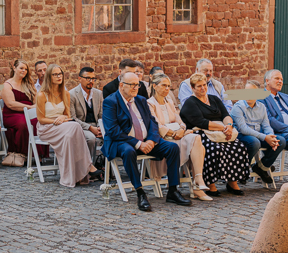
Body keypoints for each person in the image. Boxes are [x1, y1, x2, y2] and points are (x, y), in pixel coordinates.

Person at [102, 72, 191, 211]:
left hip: (146, 140)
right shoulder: (110, 102)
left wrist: (151, 140)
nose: (135, 87)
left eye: (137, 84)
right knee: (129, 151)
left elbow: (153, 123)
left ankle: (173, 191)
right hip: (121, 142)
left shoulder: (141, 100)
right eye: (131, 85)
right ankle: (140, 193)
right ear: (121, 85)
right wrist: (139, 144)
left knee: (172, 148)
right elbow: (113, 131)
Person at [179, 73, 249, 196]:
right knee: (214, 149)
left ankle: (233, 181)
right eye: (199, 86)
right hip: (201, 132)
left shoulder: (214, 98)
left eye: (204, 85)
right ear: (193, 88)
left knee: (239, 147)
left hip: (221, 131)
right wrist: (223, 128)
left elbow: (225, 115)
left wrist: (229, 126)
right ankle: (210, 183)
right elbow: (201, 122)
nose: (202, 88)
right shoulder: (190, 102)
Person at [147, 74, 210, 201]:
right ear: (154, 86)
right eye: (163, 85)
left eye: (169, 86)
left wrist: (181, 130)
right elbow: (156, 125)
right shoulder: (149, 103)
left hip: (177, 135)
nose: (167, 89)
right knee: (198, 146)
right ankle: (197, 185)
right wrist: (172, 133)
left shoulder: (169, 102)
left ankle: (198, 178)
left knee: (196, 138)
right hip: (164, 138)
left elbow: (180, 120)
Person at [36, 64, 99, 187]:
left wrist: (63, 117)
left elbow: (68, 116)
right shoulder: (41, 95)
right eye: (55, 74)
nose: (59, 76)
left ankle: (72, 177)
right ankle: (88, 165)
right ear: (49, 76)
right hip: (46, 128)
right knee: (75, 126)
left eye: (60, 74)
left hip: (64, 127)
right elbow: (41, 119)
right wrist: (57, 120)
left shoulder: (65, 93)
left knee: (70, 135)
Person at [231, 80, 286, 187]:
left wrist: (271, 137)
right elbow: (243, 129)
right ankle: (243, 167)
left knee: (281, 141)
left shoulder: (261, 107)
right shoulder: (238, 107)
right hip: (242, 136)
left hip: (258, 135)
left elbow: (266, 125)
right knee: (255, 142)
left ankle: (261, 167)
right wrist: (265, 137)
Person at [0, 59, 39, 161]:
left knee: (38, 121)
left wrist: (36, 104)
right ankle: (22, 153)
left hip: (29, 112)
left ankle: (37, 154)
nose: (24, 71)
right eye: (21, 68)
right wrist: (30, 108)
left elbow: (36, 101)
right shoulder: (7, 85)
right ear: (14, 68)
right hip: (13, 114)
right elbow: (10, 104)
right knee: (24, 123)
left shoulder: (28, 84)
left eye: (26, 69)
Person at [69, 66, 104, 161]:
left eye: (93, 78)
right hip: (81, 127)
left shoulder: (99, 93)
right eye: (88, 78)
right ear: (80, 79)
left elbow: (102, 115)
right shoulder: (71, 94)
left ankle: (107, 167)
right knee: (91, 138)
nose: (91, 81)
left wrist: (100, 128)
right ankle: (89, 167)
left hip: (97, 126)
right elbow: (73, 118)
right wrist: (90, 128)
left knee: (111, 135)